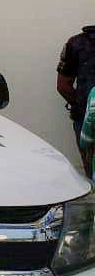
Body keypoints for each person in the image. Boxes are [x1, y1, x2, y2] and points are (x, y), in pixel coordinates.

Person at [58, 24, 95, 177]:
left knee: (91, 172)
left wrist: (86, 108)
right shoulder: (76, 43)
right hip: (85, 115)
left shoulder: (76, 42)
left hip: (86, 116)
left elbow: (63, 86)